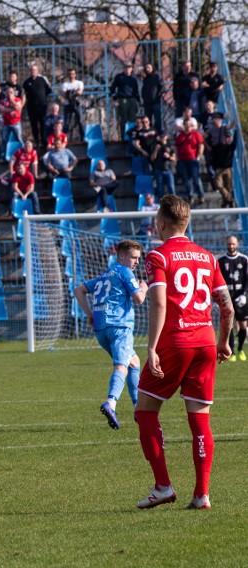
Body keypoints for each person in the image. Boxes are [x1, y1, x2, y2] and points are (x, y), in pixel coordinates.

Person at [135, 195, 233, 510]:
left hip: (175, 342)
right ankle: (202, 494)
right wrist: (224, 341)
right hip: (205, 341)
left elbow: (159, 302)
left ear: (161, 223)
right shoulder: (208, 257)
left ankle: (163, 486)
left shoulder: (158, 256)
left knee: (145, 411)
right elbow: (227, 308)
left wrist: (151, 347)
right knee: (200, 418)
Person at [74, 240, 148, 430]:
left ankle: (138, 408)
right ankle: (111, 403)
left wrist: (89, 314)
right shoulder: (124, 272)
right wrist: (144, 287)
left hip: (101, 330)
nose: (136, 262)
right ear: (121, 256)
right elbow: (139, 299)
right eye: (133, 257)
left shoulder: (104, 274)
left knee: (134, 362)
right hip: (119, 327)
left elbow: (79, 290)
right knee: (121, 366)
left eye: (138, 258)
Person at [218, 235, 248, 362]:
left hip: (240, 296)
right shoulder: (221, 260)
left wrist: (244, 295)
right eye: (229, 244)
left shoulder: (244, 259)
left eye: (233, 244)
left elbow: (247, 279)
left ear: (237, 244)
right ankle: (232, 352)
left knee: (243, 325)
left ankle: (241, 349)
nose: (231, 246)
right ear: (226, 244)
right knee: (228, 325)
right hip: (227, 296)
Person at [175, 120, 205, 205]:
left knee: (196, 178)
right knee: (186, 180)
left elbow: (201, 145)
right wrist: (177, 158)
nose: (187, 126)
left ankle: (201, 195)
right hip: (183, 160)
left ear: (191, 125)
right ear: (183, 125)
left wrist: (199, 156)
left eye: (189, 125)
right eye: (186, 125)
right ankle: (190, 196)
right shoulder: (180, 136)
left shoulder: (196, 134)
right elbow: (176, 147)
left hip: (193, 160)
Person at [22, 63, 52, 147]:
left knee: (43, 124)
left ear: (37, 71)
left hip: (42, 106)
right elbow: (24, 94)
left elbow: (49, 90)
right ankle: (36, 141)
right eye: (32, 70)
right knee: (34, 124)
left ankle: (44, 141)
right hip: (31, 107)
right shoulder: (27, 82)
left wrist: (42, 98)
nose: (33, 71)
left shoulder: (42, 79)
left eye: (34, 70)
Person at [110, 63, 141, 139]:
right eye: (126, 68)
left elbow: (136, 90)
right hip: (123, 99)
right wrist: (115, 99)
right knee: (123, 119)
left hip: (132, 99)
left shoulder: (134, 78)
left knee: (133, 119)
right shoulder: (119, 77)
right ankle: (124, 137)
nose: (127, 69)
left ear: (131, 69)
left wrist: (138, 100)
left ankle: (133, 136)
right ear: (123, 69)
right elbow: (112, 88)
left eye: (129, 68)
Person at [208, 130, 237, 208]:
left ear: (230, 138)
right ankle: (230, 199)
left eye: (229, 138)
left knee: (228, 187)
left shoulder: (231, 147)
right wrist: (214, 166)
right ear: (223, 138)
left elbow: (235, 141)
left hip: (228, 168)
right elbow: (212, 157)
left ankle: (225, 201)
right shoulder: (217, 147)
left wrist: (236, 130)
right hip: (219, 169)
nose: (227, 139)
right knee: (219, 185)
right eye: (226, 137)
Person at [60, 69, 85, 141]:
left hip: (77, 104)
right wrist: (74, 92)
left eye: (73, 74)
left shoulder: (79, 83)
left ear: (75, 74)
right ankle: (64, 139)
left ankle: (82, 138)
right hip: (68, 104)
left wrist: (70, 93)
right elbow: (64, 95)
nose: (71, 75)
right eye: (70, 74)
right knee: (66, 122)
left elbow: (80, 92)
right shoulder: (65, 84)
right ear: (68, 75)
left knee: (80, 121)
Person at [0, 86, 23, 157]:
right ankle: (3, 153)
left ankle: (22, 152)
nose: (9, 94)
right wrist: (13, 109)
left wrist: (12, 101)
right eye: (8, 92)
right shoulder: (3, 101)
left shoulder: (18, 99)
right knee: (4, 139)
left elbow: (18, 107)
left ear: (14, 93)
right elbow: (2, 109)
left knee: (19, 138)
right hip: (6, 123)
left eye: (11, 92)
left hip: (16, 123)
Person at [150, 133, 176, 198]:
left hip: (168, 170)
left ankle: (174, 203)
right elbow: (152, 158)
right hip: (159, 170)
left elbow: (174, 158)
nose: (162, 138)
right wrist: (156, 150)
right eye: (161, 137)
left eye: (163, 137)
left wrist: (169, 157)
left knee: (171, 188)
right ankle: (161, 204)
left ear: (166, 137)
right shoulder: (155, 145)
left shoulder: (169, 146)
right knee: (160, 189)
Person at [141, 63, 164, 133]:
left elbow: (162, 87)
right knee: (148, 120)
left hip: (156, 101)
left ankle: (158, 133)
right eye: (146, 68)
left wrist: (159, 95)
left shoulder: (157, 77)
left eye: (149, 67)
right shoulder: (145, 79)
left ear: (152, 68)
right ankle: (149, 133)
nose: (148, 69)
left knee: (157, 120)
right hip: (147, 102)